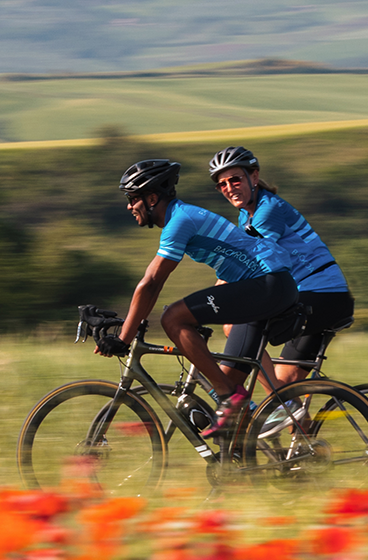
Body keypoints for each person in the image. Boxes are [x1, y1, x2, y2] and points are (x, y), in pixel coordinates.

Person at [101, 158, 296, 434]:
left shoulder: (179, 221)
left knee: (173, 318)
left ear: (153, 197)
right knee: (228, 404)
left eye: (133, 199)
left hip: (267, 284)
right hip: (268, 286)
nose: (129, 206)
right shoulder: (182, 217)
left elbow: (151, 282)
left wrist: (123, 337)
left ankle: (231, 398)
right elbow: (153, 287)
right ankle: (255, 450)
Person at [205, 146, 354, 398]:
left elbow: (249, 264)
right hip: (307, 296)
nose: (229, 188)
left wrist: (207, 301)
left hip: (321, 295)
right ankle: (292, 415)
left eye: (235, 179)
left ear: (253, 177)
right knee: (286, 385)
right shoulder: (247, 215)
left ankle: (277, 403)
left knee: (236, 325)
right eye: (222, 184)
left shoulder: (267, 211)